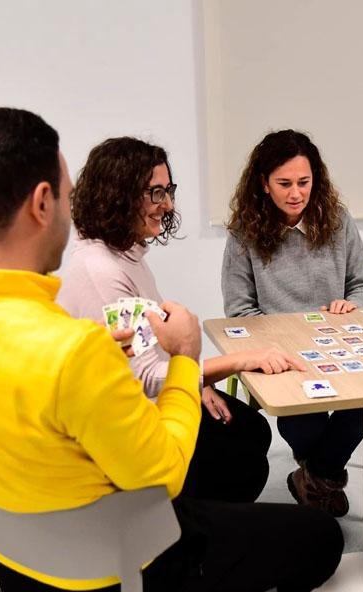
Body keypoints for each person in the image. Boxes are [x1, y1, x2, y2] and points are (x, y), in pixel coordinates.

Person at [0, 108, 342, 592]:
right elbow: (165, 472)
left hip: (17, 573)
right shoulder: (72, 352)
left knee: (238, 454)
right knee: (320, 538)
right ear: (42, 202)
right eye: (69, 198)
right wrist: (186, 359)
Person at [58, 136, 306, 503]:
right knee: (245, 461)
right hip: (133, 430)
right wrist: (241, 360)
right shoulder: (102, 272)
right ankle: (184, 532)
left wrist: (197, 384)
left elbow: (147, 351)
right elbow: (143, 380)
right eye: (156, 193)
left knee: (253, 431)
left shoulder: (123, 254)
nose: (168, 204)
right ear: (119, 193)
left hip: (154, 398)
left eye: (168, 191)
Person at [221, 129, 363, 517]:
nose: (296, 194)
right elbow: (240, 311)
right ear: (263, 184)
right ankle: (324, 475)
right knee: (300, 415)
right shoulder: (244, 233)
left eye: (304, 183)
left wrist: (352, 304)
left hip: (337, 346)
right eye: (285, 183)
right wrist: (279, 342)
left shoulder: (338, 221)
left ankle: (314, 477)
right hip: (279, 355)